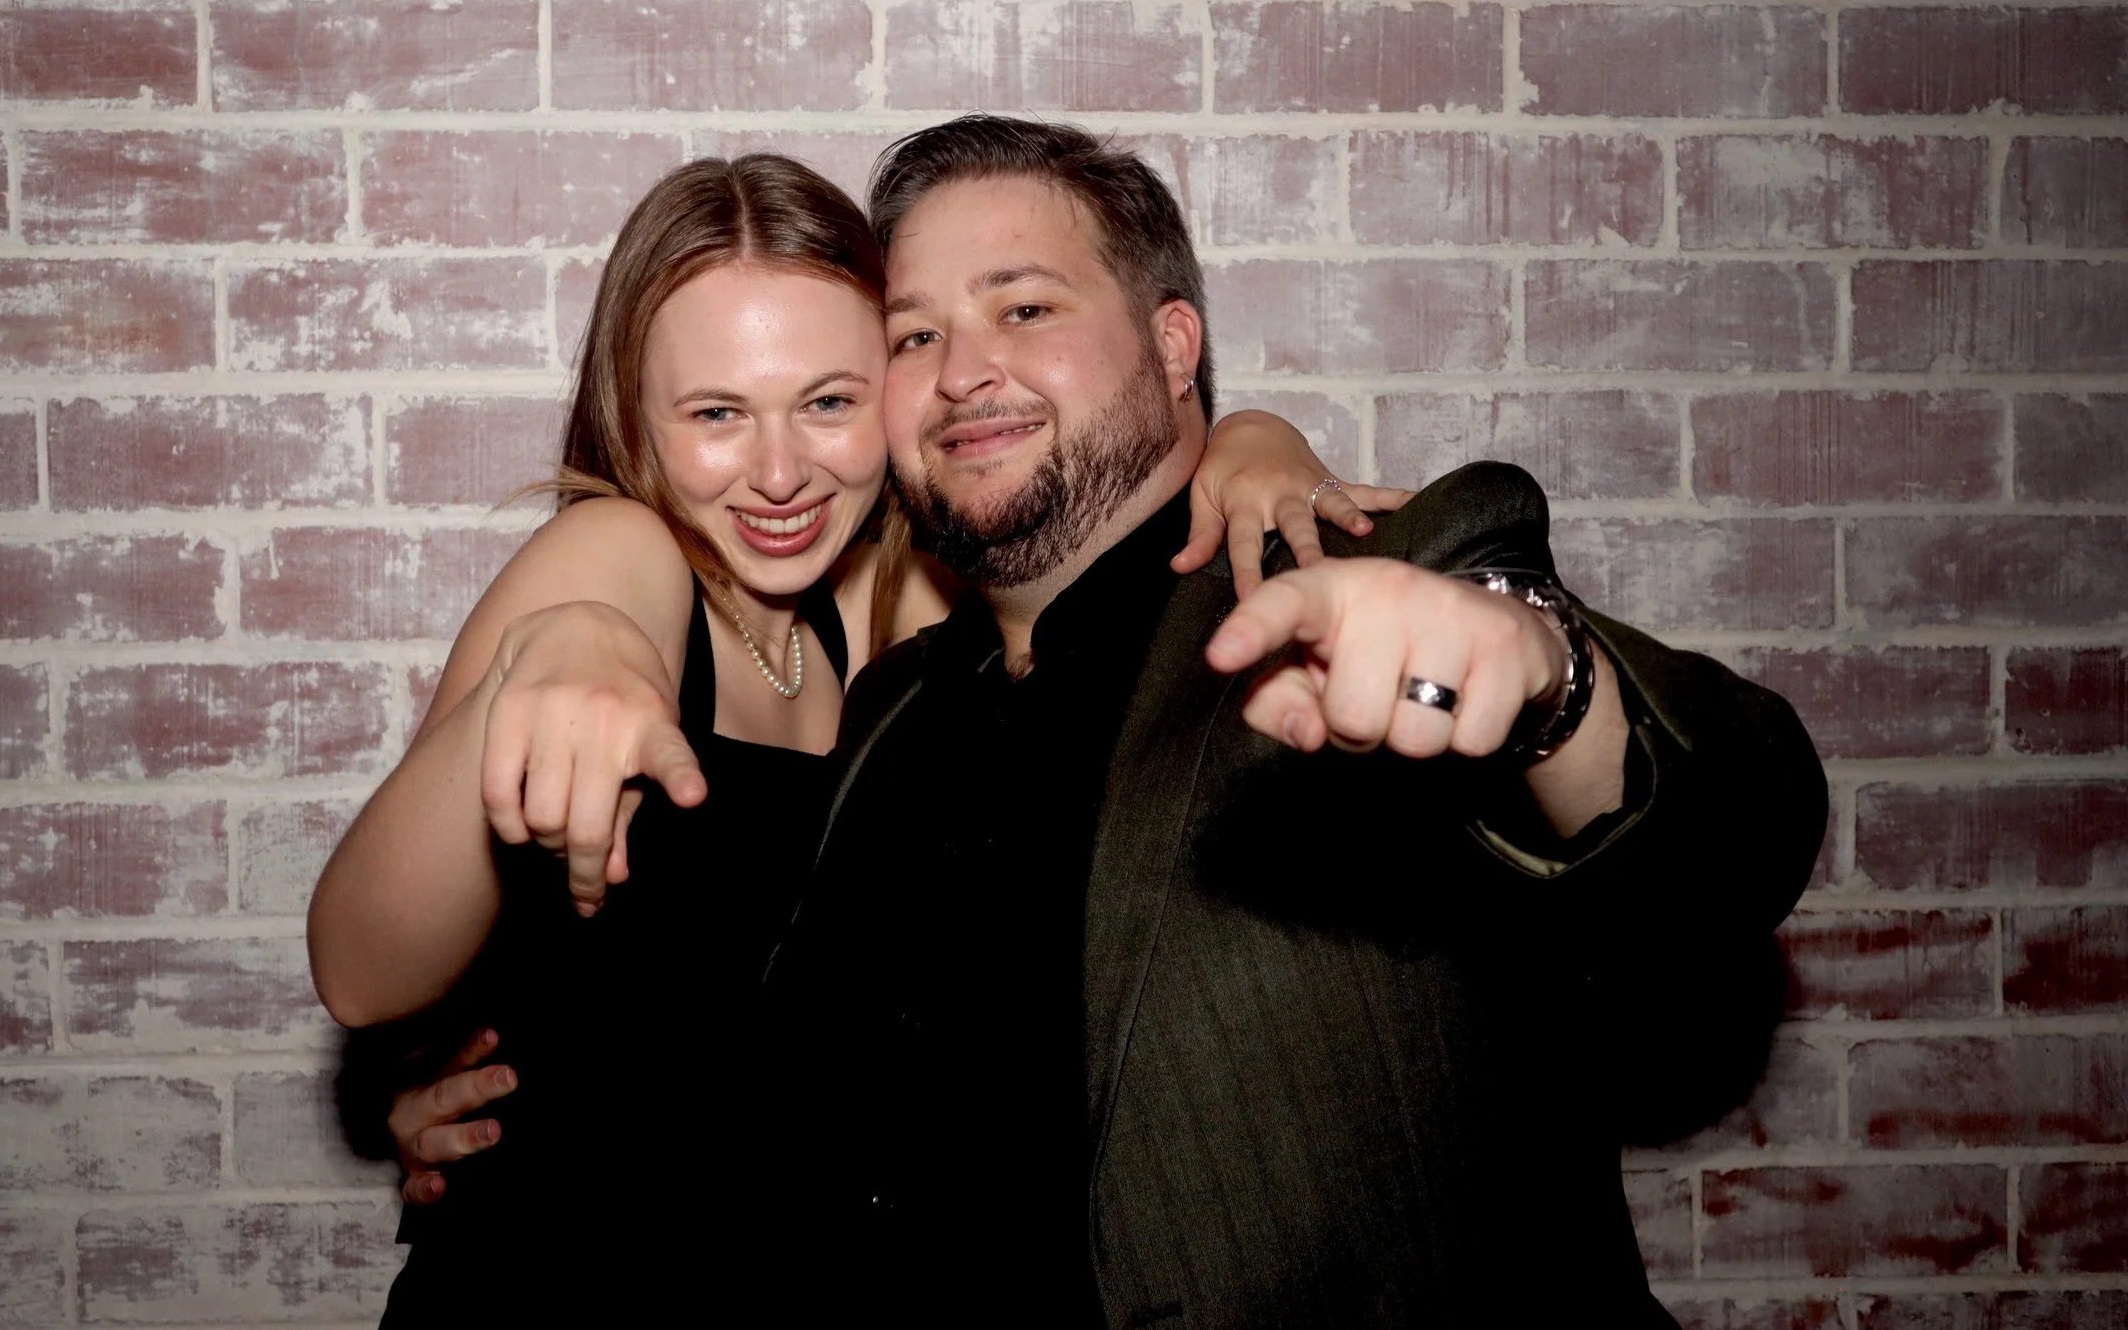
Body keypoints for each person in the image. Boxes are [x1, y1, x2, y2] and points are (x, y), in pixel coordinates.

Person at [747, 116, 1830, 1327]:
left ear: (1172, 346)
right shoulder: (888, 708)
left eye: (1026, 308)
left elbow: (1735, 834)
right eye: (915, 334)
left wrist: (1547, 682)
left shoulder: (1372, 592)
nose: (960, 370)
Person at [302, 152, 1406, 1322]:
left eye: (829, 401)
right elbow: (362, 973)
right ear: (636, 415)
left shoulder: (914, 603)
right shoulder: (616, 553)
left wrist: (1248, 438)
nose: (780, 471)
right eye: (716, 413)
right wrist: (552, 652)